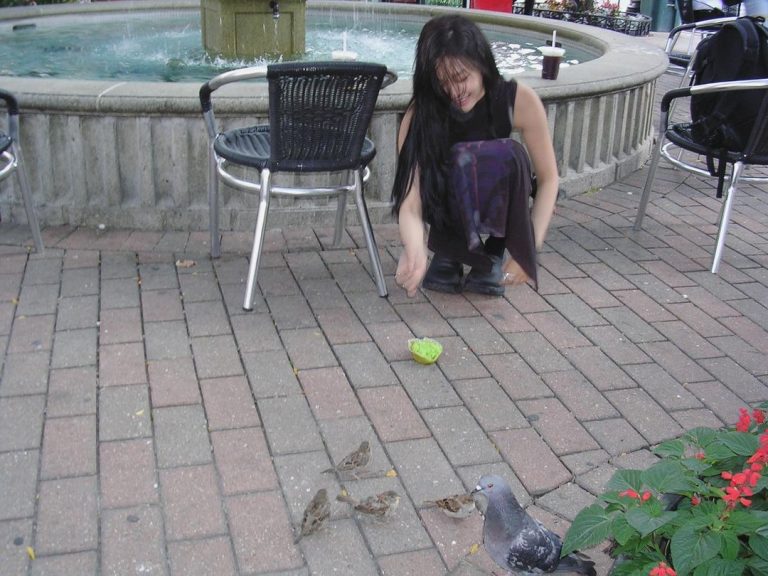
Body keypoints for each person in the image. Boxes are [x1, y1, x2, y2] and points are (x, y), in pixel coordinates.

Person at [392, 14, 558, 298]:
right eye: (442, 83)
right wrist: (415, 247)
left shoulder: (517, 99)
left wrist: (529, 247)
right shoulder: (420, 113)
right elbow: (410, 200)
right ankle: (449, 250)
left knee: (512, 155)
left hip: (493, 200)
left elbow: (549, 179)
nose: (455, 92)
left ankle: (493, 252)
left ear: (482, 64)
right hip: (445, 205)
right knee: (453, 159)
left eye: (461, 78)